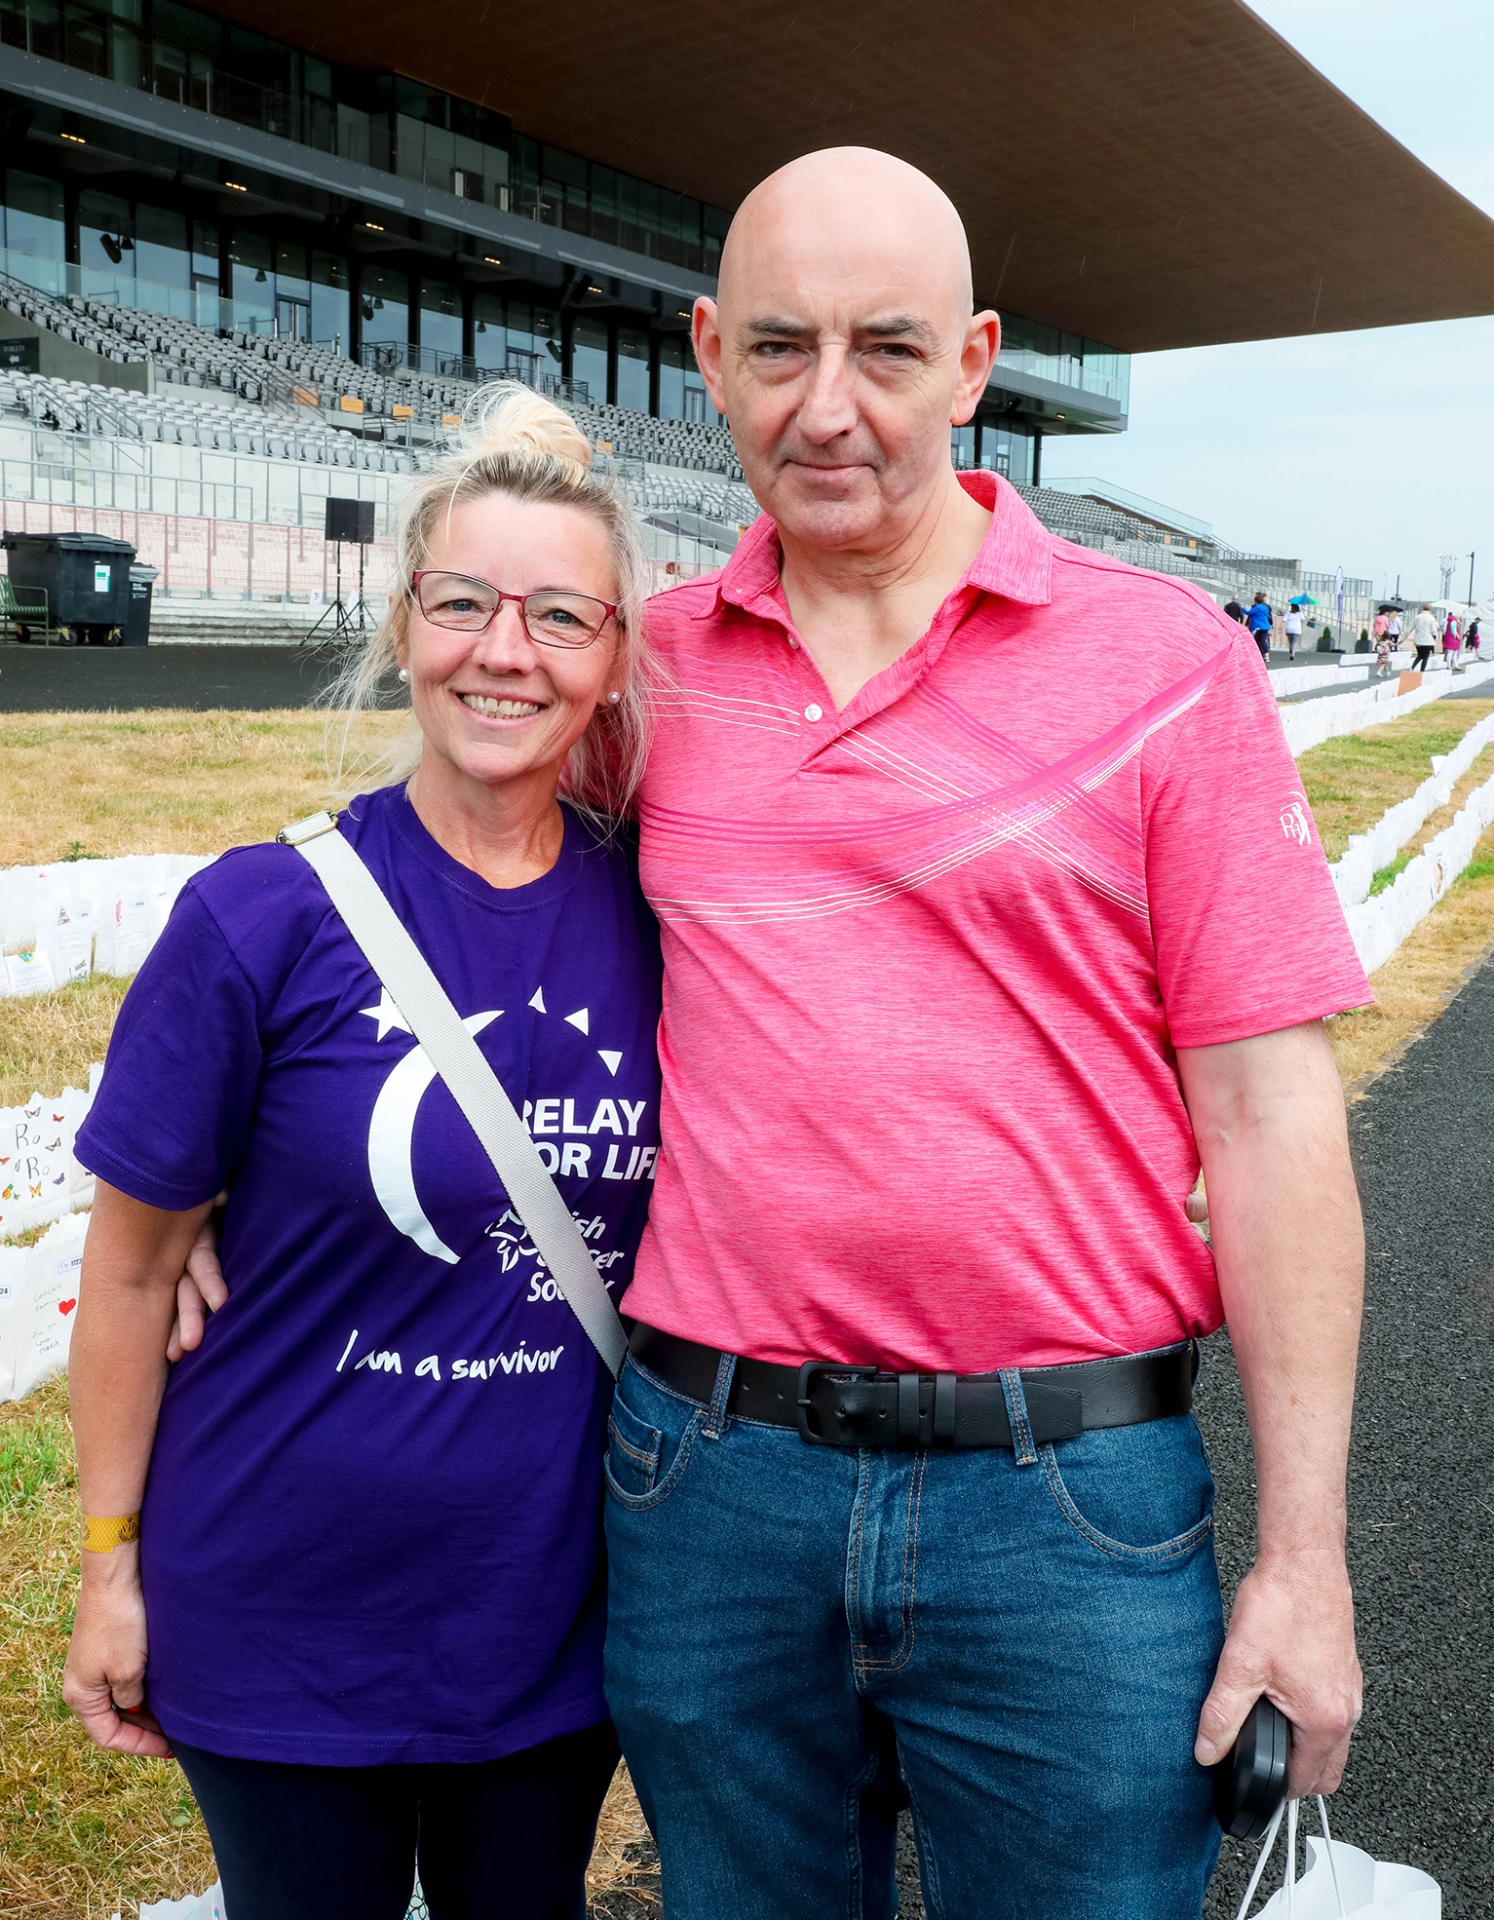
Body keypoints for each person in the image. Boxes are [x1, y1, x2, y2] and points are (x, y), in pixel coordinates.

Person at [169, 150, 1370, 1920]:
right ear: (705, 355)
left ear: (970, 365)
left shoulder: (1164, 666)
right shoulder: (638, 675)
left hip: (1070, 1511)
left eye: (883, 350)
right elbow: (430, 891)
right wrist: (217, 1184)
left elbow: (1270, 1119)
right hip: (704, 1492)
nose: (828, 407)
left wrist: (1304, 1560)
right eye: (778, 347)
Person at [60, 387, 663, 1920]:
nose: (503, 650)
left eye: (555, 615)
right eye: (462, 602)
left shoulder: (663, 918)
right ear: (405, 627)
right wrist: (110, 1567)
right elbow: (129, 1283)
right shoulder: (256, 919)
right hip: (278, 1606)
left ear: (610, 660)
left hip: (543, 1618)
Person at [1245, 590, 1274, 660]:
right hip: (1265, 626)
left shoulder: (1255, 606)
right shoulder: (1267, 606)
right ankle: (1265, 655)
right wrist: (1271, 623)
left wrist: (1247, 623)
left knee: (1256, 640)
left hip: (1257, 626)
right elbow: (1269, 616)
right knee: (1263, 640)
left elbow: (1250, 614)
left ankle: (1257, 654)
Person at [1411, 602, 1438, 673]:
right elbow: (1434, 630)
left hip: (1418, 639)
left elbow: (1410, 627)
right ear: (1430, 609)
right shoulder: (1431, 618)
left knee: (1419, 655)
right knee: (1425, 657)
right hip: (1427, 640)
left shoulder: (1417, 617)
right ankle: (1422, 670)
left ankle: (1412, 667)